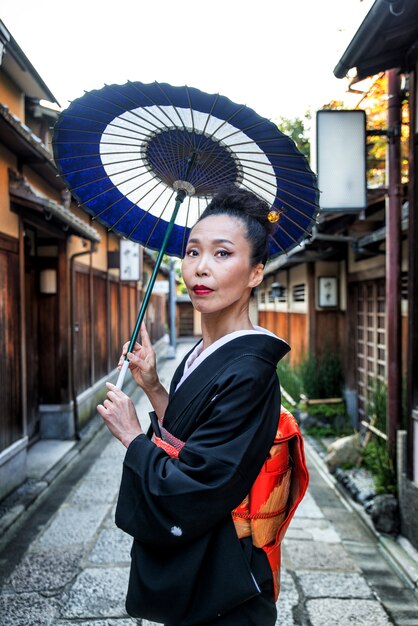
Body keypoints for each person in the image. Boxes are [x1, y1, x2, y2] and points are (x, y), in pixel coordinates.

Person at [97, 186, 304, 626]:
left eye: (223, 254)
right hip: (206, 559)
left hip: (229, 569)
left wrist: (134, 437)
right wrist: (153, 386)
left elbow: (200, 483)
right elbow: (194, 437)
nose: (200, 268)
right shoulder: (201, 352)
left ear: (256, 273)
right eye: (192, 252)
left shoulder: (251, 368)